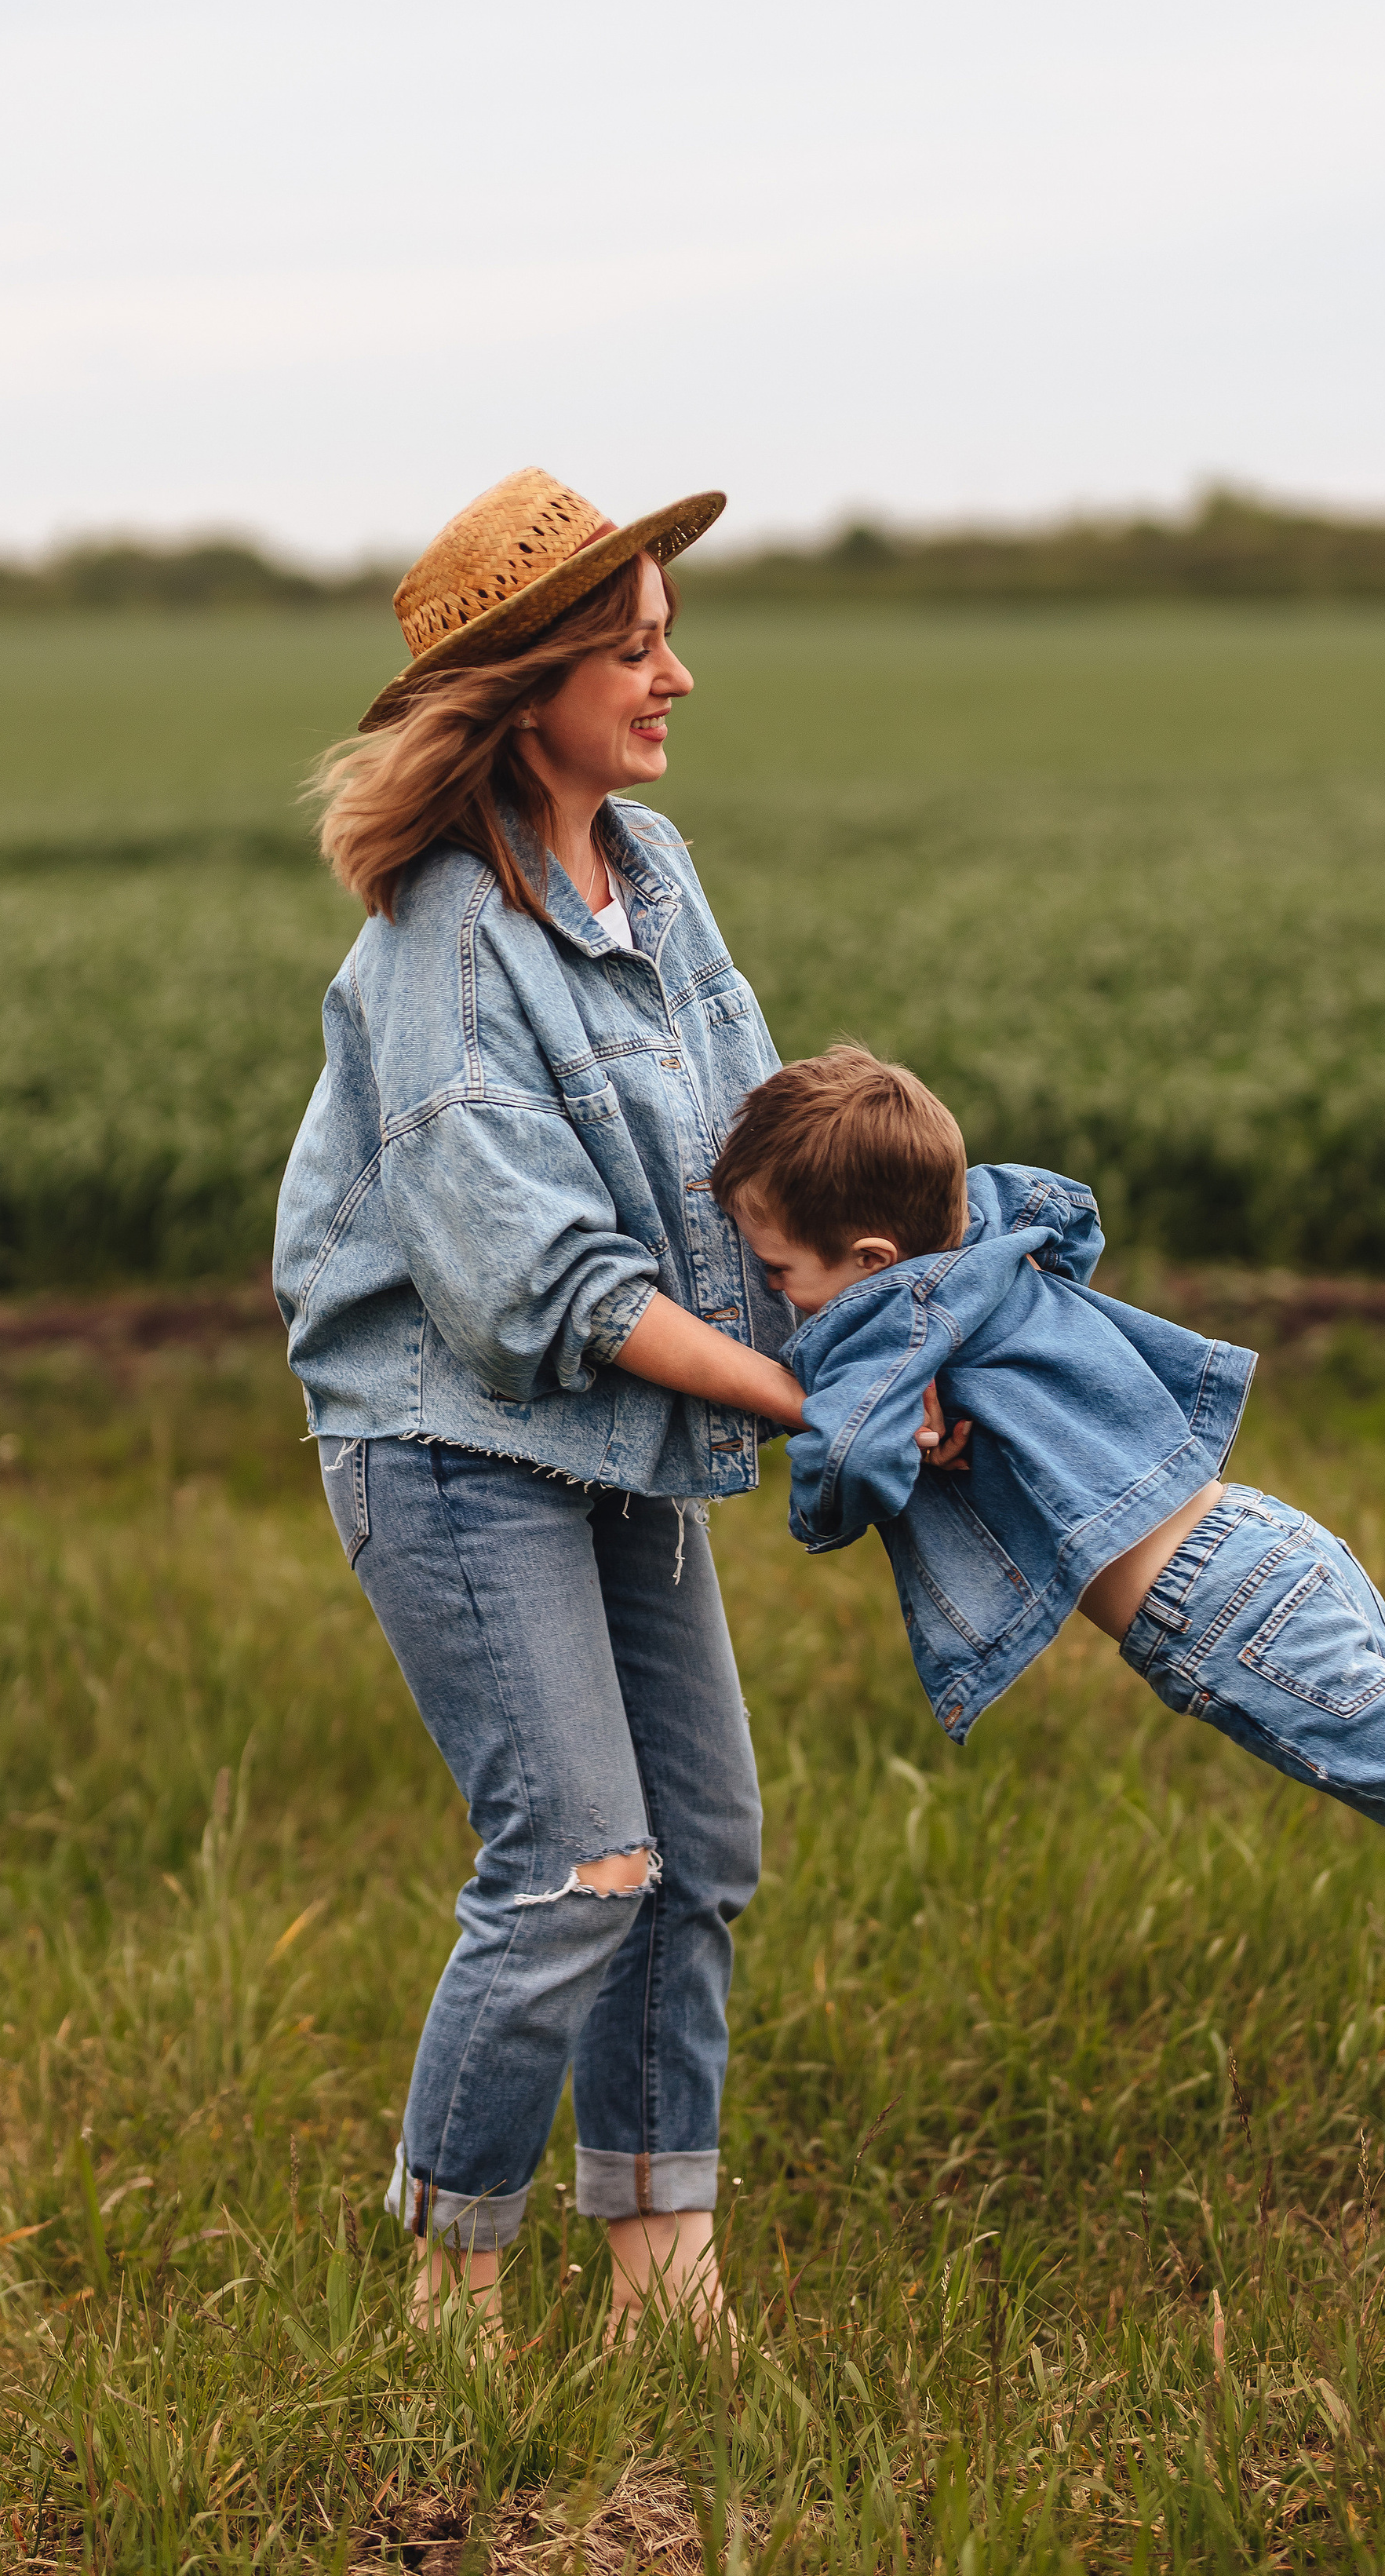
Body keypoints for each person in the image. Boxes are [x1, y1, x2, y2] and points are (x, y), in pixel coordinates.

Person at [275, 468, 837, 2346]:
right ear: (526, 686)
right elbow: (547, 1290)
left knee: (695, 1847)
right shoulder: (439, 941)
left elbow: (759, 1144)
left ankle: (661, 2278)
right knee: (573, 1863)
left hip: (623, 1439)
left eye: (665, 633)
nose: (675, 673)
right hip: (453, 1440)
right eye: (632, 646)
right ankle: (444, 2293)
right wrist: (794, 1395)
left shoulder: (656, 877)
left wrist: (900, 1302)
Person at [712, 1045, 1385, 1888]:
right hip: (1259, 1534)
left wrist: (840, 1492)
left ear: (871, 1260)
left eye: (781, 1270)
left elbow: (850, 1456)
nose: (780, 1295)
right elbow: (1066, 1211)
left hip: (1213, 1612)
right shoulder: (986, 1236)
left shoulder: (882, 1319)